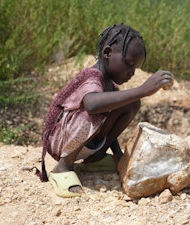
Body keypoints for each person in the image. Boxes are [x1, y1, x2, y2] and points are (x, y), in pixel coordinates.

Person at [35, 23, 174, 198]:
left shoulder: (111, 85)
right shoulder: (91, 77)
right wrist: (143, 90)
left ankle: (96, 158)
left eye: (135, 68)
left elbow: (112, 113)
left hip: (82, 142)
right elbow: (92, 105)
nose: (132, 72)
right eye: (129, 64)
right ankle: (63, 167)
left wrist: (118, 155)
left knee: (130, 103)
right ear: (107, 53)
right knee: (96, 110)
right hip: (59, 142)